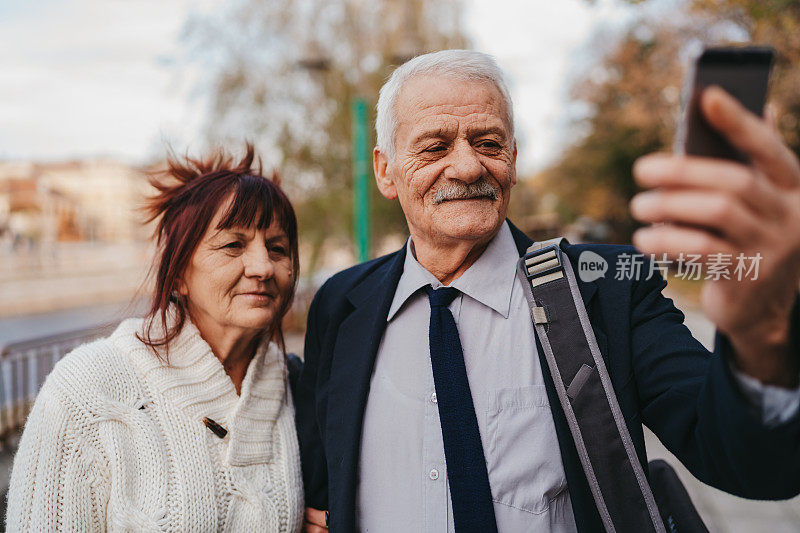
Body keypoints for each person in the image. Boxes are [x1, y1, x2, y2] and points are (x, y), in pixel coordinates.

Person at [296, 50, 800, 532]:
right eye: (435, 146)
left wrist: (764, 329)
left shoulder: (606, 290)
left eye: (489, 143)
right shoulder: (340, 307)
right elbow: (324, 475)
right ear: (385, 171)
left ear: (512, 160)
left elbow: (752, 463)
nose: (469, 167)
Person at [6, 145, 305, 531]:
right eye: (233, 245)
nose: (263, 266)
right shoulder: (85, 391)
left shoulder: (298, 387)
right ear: (178, 273)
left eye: (278, 248)